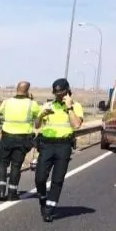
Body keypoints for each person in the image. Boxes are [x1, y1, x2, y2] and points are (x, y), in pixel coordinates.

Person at [34, 78, 84, 222]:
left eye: (61, 93)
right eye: (56, 93)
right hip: (47, 145)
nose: (59, 96)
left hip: (63, 146)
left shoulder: (76, 106)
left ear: (67, 91)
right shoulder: (48, 105)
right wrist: (41, 115)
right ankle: (43, 199)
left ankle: (49, 210)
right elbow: (37, 125)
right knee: (40, 178)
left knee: (57, 179)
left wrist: (69, 108)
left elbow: (76, 125)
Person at [0, 81, 41, 201]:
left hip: (7, 137)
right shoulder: (32, 104)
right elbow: (38, 120)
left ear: (17, 89)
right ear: (28, 90)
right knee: (16, 165)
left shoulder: (7, 102)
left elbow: (0, 111)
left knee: (2, 163)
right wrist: (31, 99)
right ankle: (12, 193)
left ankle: (0, 191)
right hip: (22, 139)